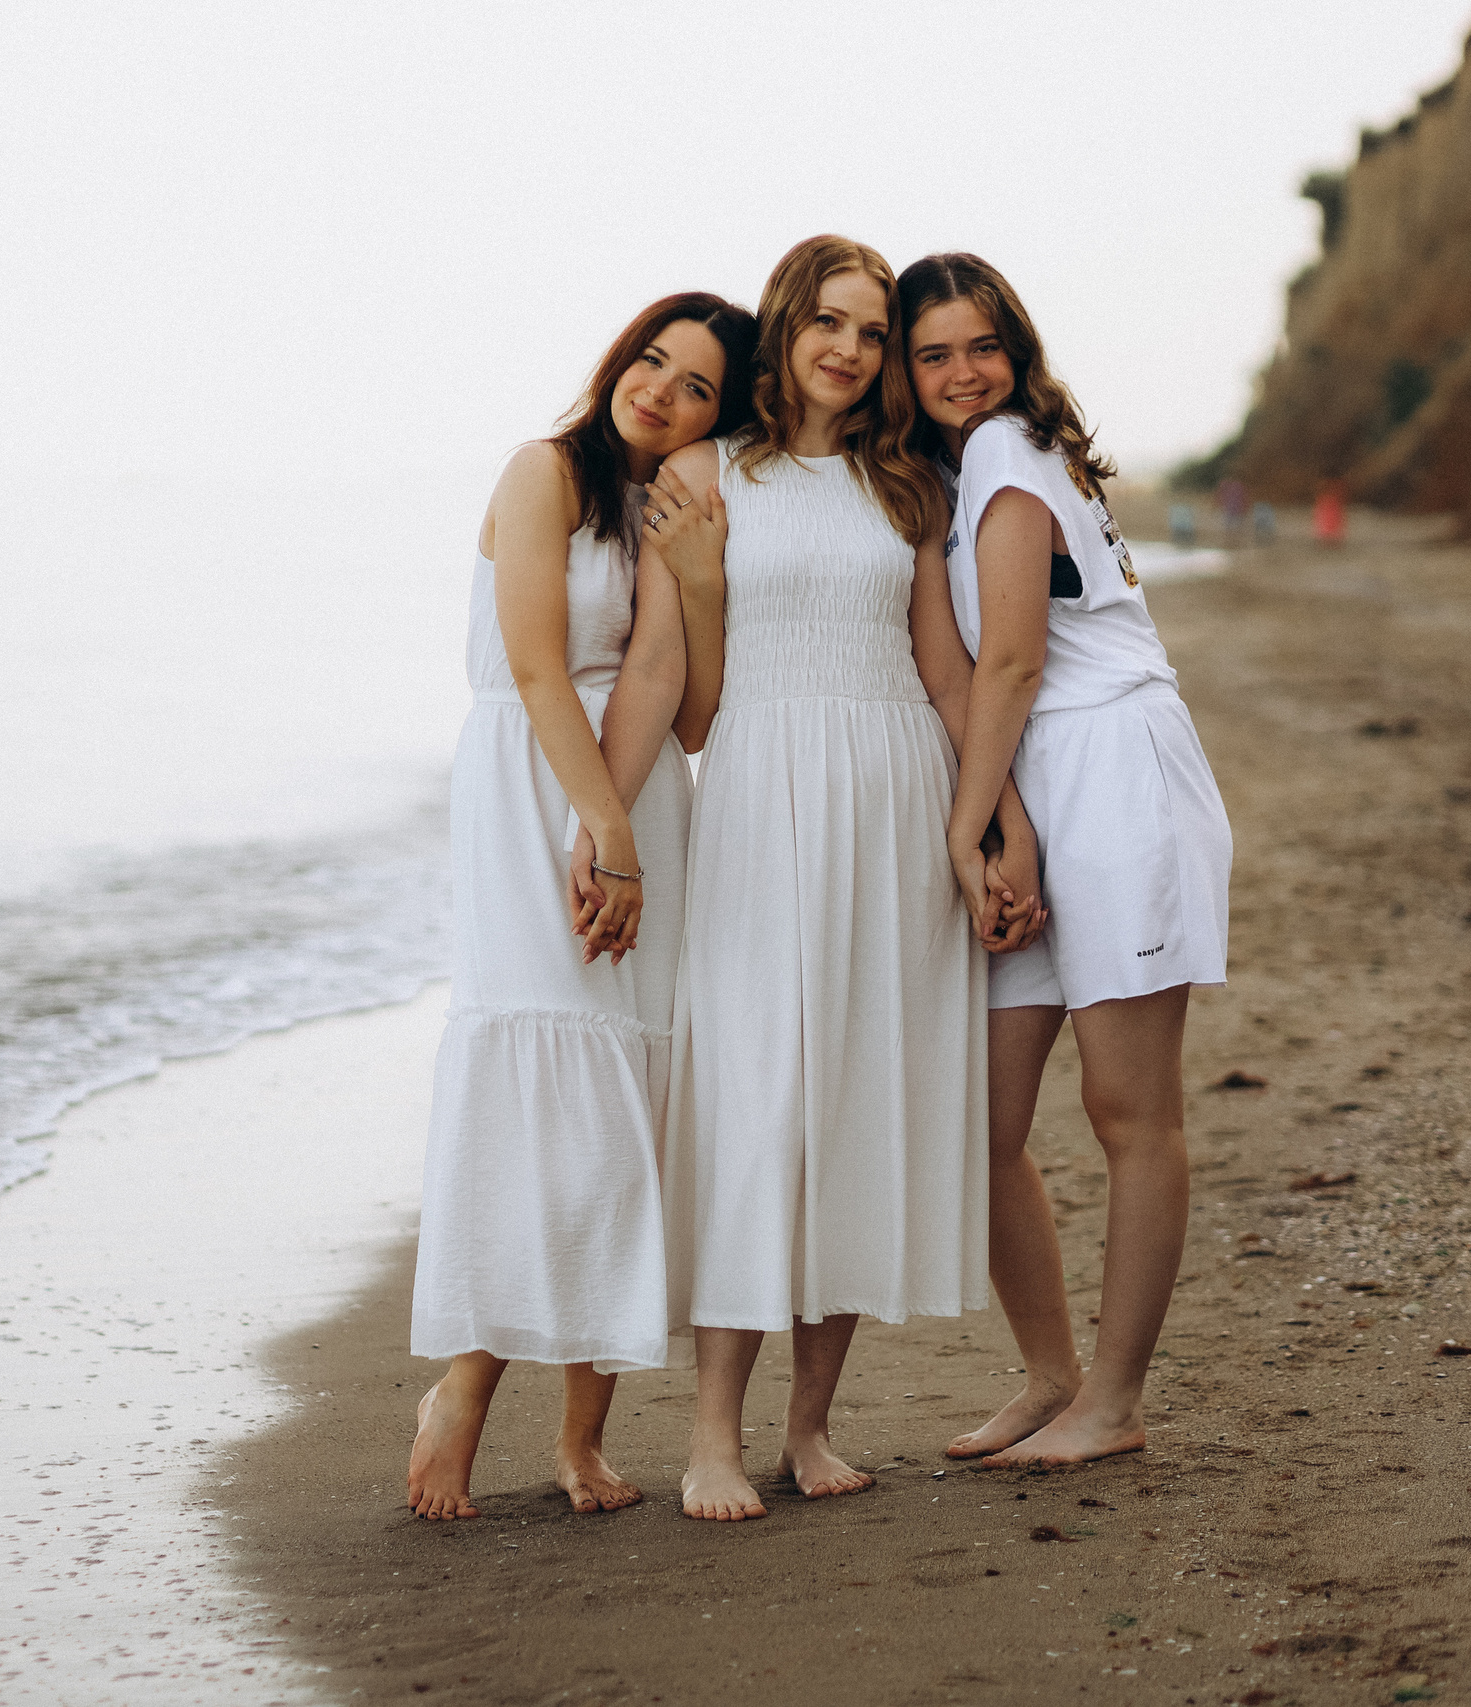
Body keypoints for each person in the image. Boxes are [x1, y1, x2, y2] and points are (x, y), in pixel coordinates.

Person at [640, 236, 1025, 1522]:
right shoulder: (701, 475)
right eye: (829, 323)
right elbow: (681, 703)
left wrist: (991, 828)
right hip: (759, 801)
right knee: (758, 1105)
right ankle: (710, 1437)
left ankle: (808, 1429)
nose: (851, 350)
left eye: (871, 331)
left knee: (854, 1104)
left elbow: (950, 676)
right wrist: (602, 825)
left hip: (895, 802)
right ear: (785, 329)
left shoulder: (904, 484)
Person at [407, 293, 760, 1521]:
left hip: (640, 791)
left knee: (627, 1107)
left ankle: (581, 1436)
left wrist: (705, 578)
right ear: (620, 360)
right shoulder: (541, 470)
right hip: (536, 790)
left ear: (725, 412)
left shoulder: (674, 504)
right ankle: (462, 1391)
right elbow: (533, 663)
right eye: (652, 362)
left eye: (698, 385)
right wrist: (600, 830)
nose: (661, 391)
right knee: (544, 1096)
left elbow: (700, 711)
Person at [897, 251, 1233, 1466]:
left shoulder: (1005, 453)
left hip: (1114, 775)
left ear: (1016, 349)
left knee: (1128, 1109)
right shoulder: (968, 466)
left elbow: (1017, 664)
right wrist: (1002, 820)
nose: (961, 373)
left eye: (981, 346)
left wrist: (967, 822)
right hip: (1042, 778)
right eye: (932, 353)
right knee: (977, 1117)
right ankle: (1050, 1377)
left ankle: (1116, 1400)